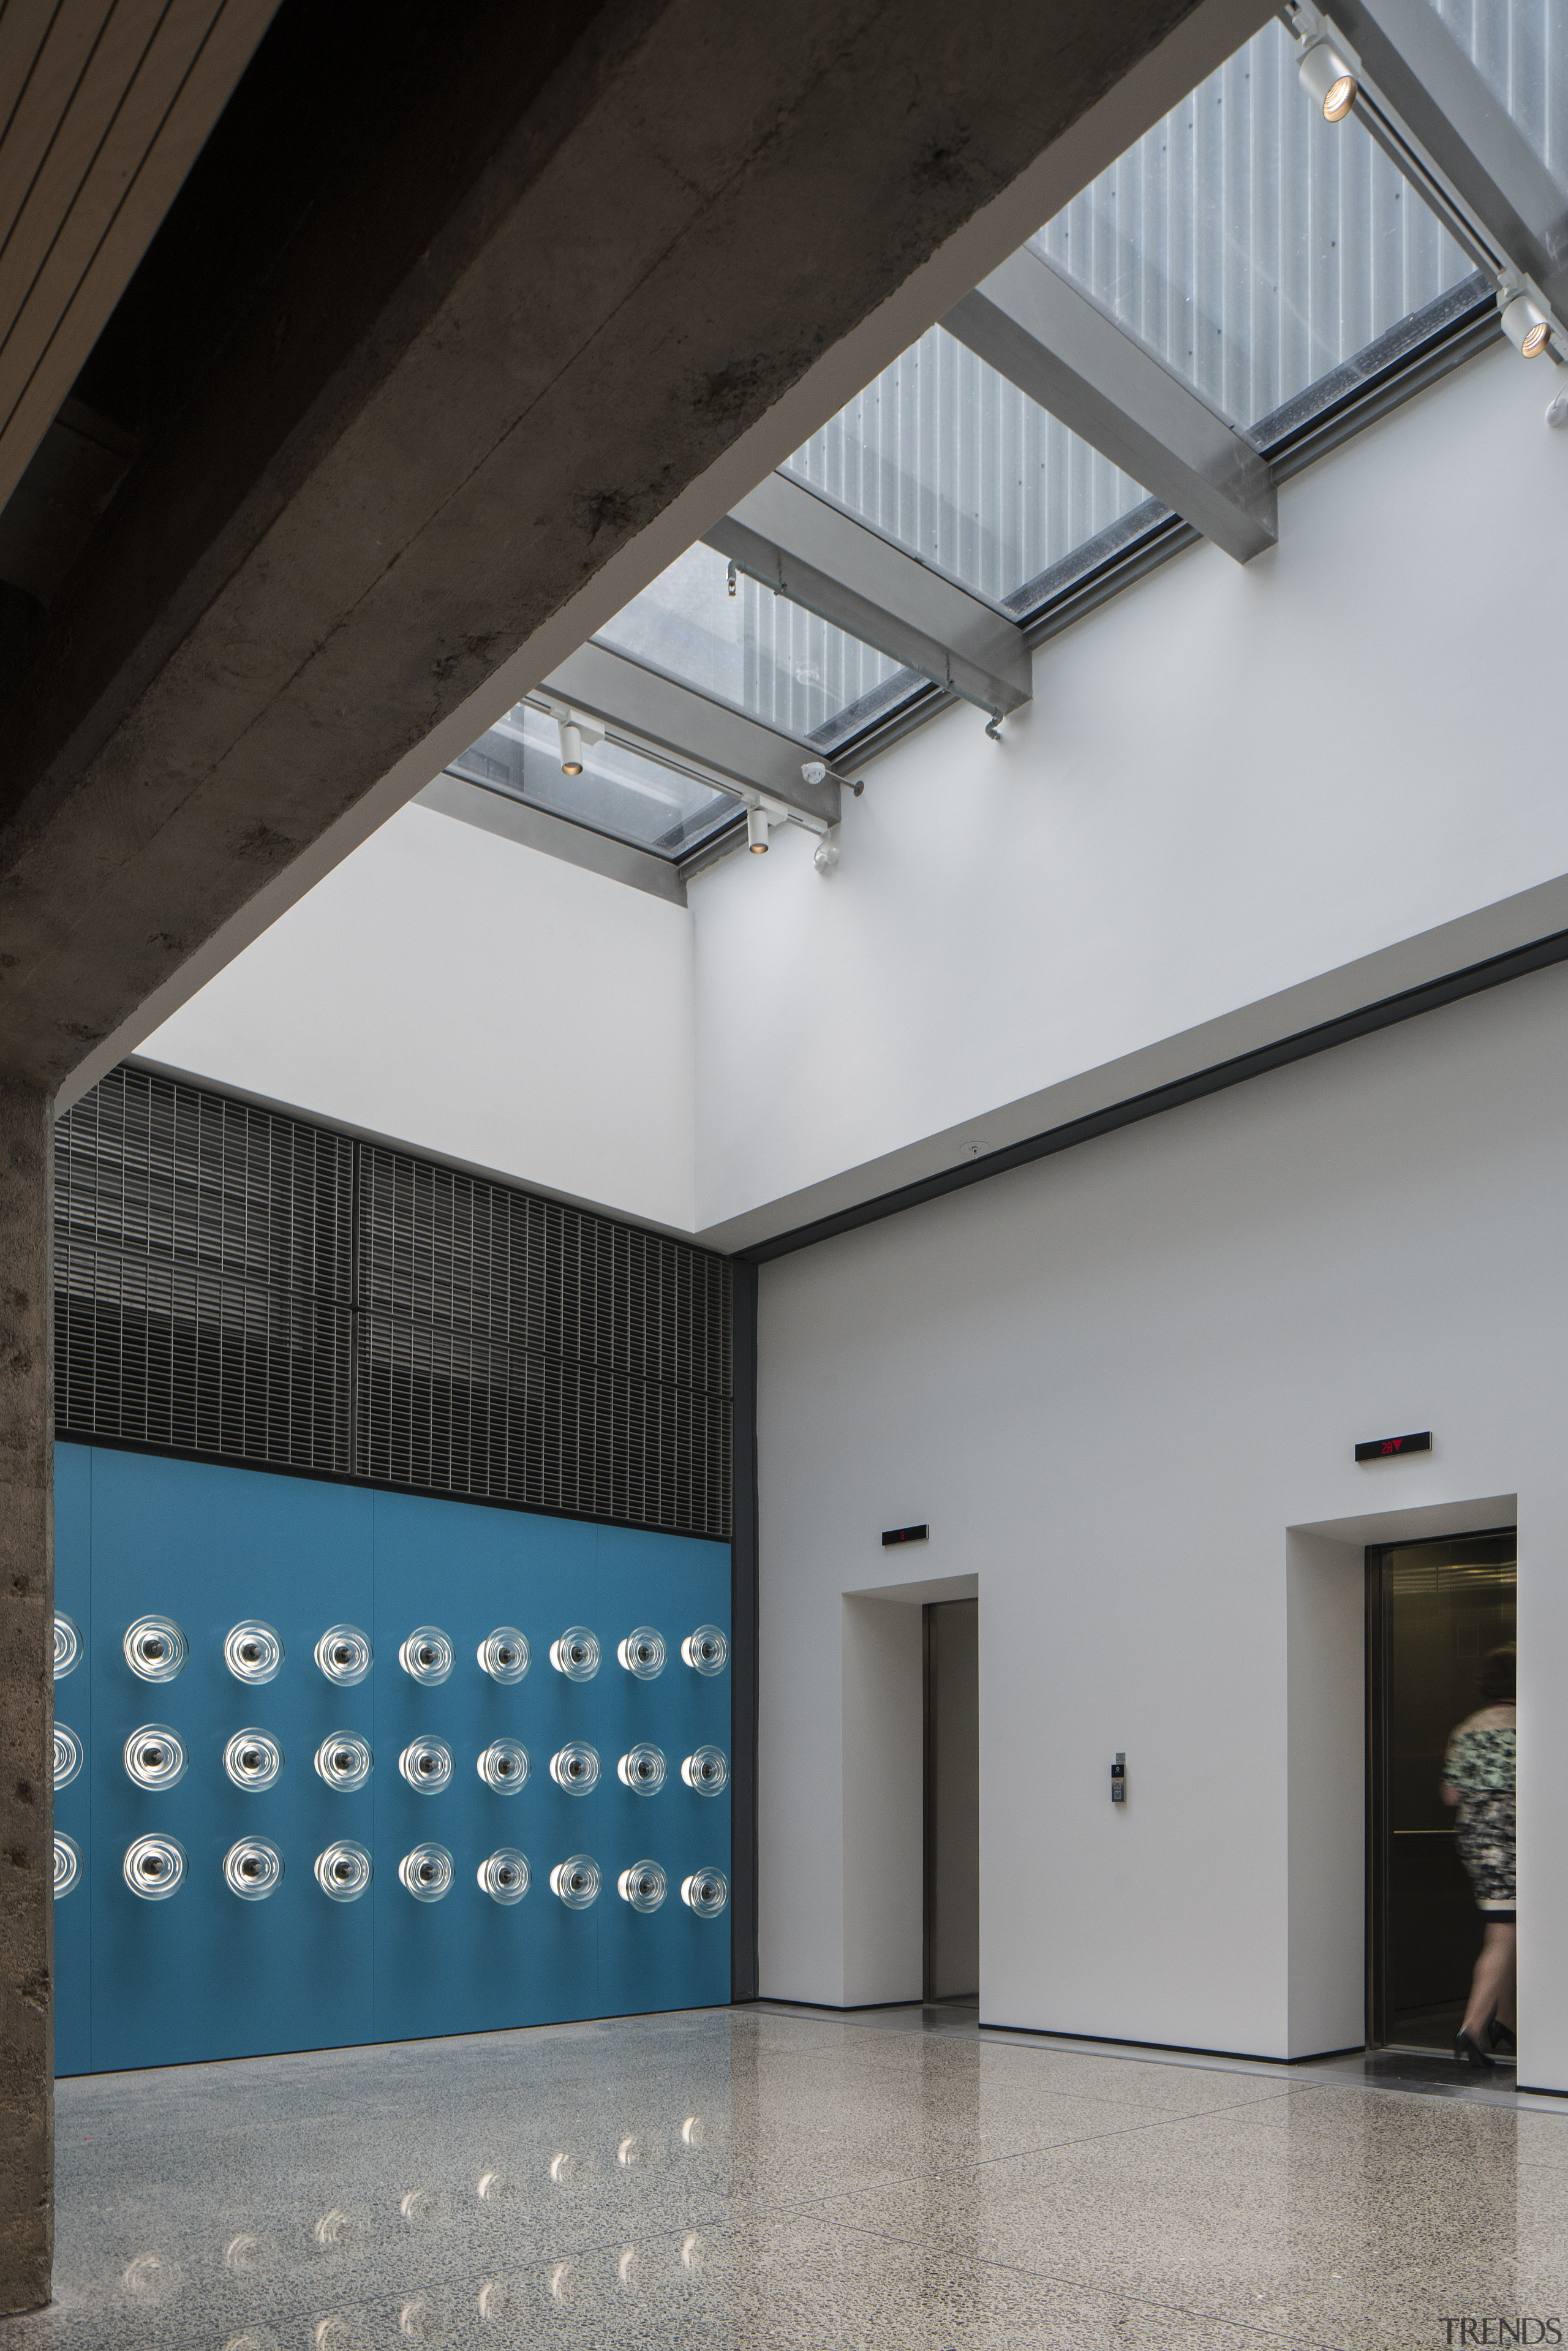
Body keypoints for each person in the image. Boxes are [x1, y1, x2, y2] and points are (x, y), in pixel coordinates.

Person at [1441, 1642, 1516, 2067]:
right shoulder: (1532, 1725)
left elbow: (1451, 1794)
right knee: (1506, 1932)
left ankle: (1507, 2018)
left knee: (1507, 1923)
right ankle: (1473, 2029)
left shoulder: (1467, 1728)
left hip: (1475, 1838)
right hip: (1515, 1838)